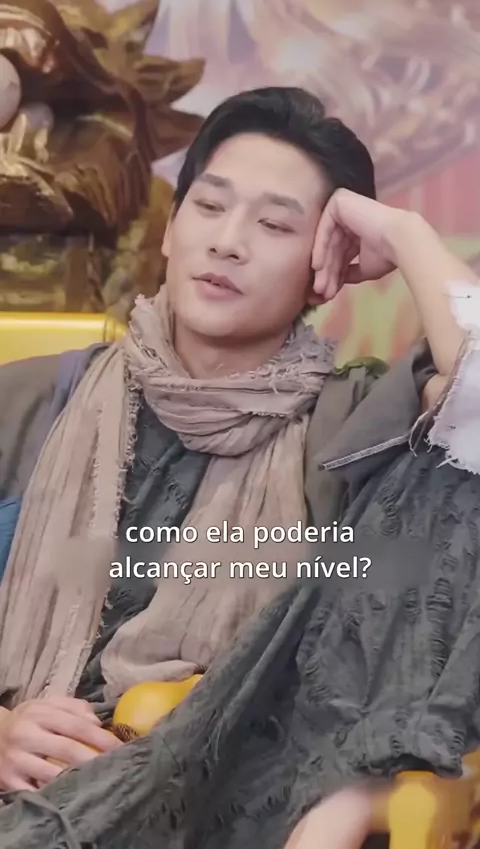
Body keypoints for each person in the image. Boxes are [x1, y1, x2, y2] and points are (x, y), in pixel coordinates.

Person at [0, 86, 478, 848]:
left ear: (327, 264)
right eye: (210, 206)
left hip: (216, 807)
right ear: (169, 229)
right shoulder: (25, 402)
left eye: (275, 224)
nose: (228, 242)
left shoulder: (353, 425)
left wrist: (405, 233)